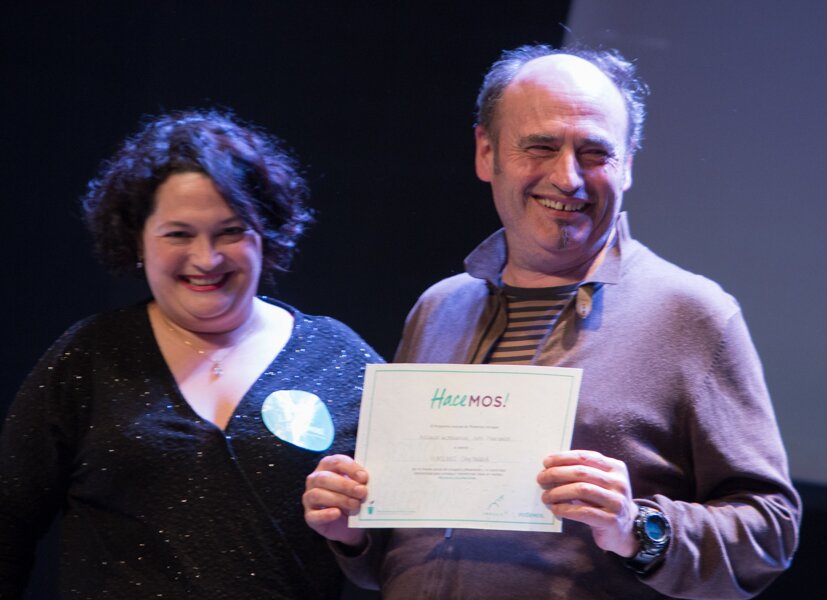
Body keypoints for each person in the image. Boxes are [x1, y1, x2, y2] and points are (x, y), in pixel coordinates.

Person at [302, 45, 801, 599]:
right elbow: (395, 557)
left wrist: (637, 527)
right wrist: (353, 531)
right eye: (540, 147)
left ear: (628, 164)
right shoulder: (439, 309)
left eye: (594, 153)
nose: (567, 178)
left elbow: (770, 529)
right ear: (486, 152)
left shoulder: (690, 313)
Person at [0, 110, 382, 598]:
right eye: (178, 234)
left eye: (231, 231)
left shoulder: (340, 358)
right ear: (137, 240)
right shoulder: (89, 358)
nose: (207, 258)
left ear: (266, 233)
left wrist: (354, 537)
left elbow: (403, 549)